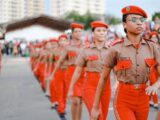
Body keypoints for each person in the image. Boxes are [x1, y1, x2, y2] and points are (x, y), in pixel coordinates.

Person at [91, 5, 160, 120]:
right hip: (124, 99)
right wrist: (95, 106)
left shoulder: (152, 47)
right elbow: (103, 78)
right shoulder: (116, 48)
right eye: (133, 19)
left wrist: (156, 84)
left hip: (144, 99)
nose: (139, 23)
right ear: (124, 25)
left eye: (141, 20)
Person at [68, 21, 111, 120]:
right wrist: (71, 89)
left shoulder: (111, 50)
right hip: (90, 87)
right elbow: (78, 71)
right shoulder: (86, 50)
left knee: (103, 117)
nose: (102, 33)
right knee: (97, 115)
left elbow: (118, 70)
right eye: (99, 30)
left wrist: (117, 84)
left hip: (106, 87)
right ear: (93, 33)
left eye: (104, 31)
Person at [49, 23, 84, 120]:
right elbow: (60, 61)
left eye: (80, 31)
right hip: (71, 72)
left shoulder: (86, 46)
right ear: (72, 34)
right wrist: (53, 74)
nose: (78, 33)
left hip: (83, 73)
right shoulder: (68, 47)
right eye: (76, 31)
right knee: (75, 100)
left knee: (80, 100)